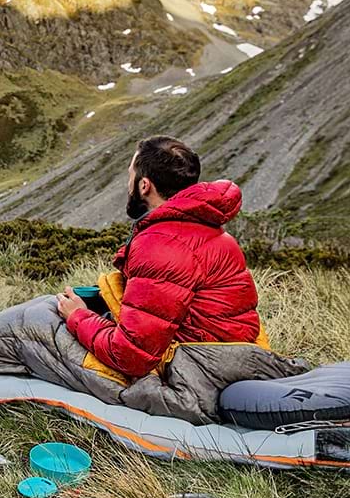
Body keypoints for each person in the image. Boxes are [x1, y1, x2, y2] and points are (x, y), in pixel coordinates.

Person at [54, 136, 261, 380]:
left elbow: (130, 356)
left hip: (201, 370)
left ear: (144, 186)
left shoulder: (161, 244)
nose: (127, 183)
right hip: (227, 351)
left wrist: (78, 317)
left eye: (130, 175)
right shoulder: (207, 229)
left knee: (38, 323)